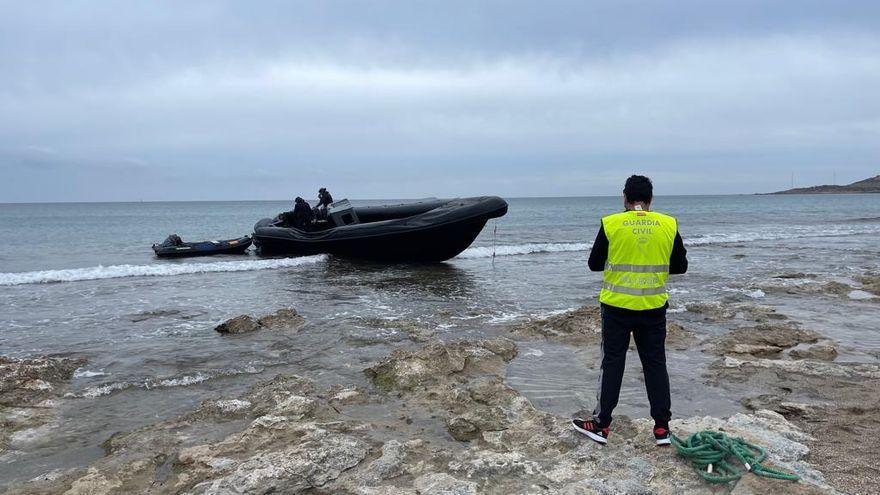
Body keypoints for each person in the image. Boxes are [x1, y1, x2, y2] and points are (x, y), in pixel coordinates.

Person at [571, 175, 687, 447]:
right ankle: (662, 429)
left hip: (616, 308)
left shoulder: (612, 224)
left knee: (612, 364)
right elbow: (680, 266)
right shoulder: (668, 224)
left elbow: (594, 264)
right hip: (653, 307)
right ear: (650, 200)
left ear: (624, 197)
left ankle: (601, 425)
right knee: (656, 365)